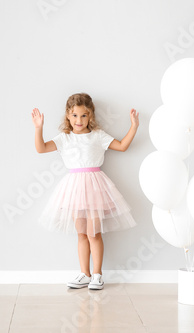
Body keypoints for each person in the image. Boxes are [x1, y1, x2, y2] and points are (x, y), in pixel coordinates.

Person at [31, 93, 139, 290]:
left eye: (83, 115)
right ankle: (84, 274)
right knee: (81, 234)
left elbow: (122, 146)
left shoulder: (97, 136)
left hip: (95, 187)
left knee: (94, 234)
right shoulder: (64, 138)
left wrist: (134, 126)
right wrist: (39, 129)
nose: (78, 120)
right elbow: (41, 148)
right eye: (74, 116)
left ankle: (97, 275)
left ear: (90, 116)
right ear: (67, 117)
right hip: (73, 189)